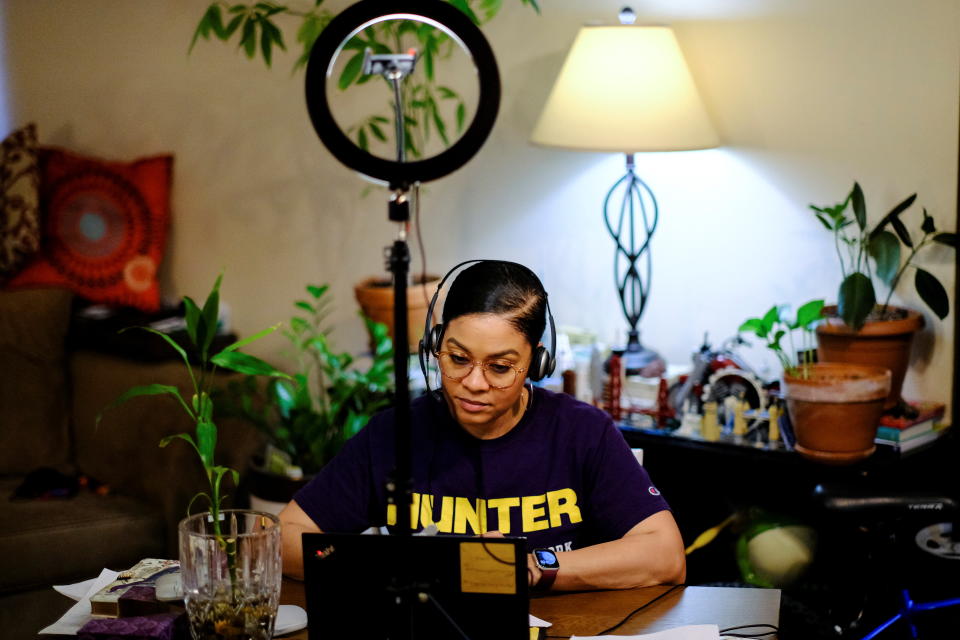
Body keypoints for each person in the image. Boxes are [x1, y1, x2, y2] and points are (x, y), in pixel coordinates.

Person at [279, 260, 685, 590]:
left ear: (537, 363)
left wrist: (535, 567)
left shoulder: (582, 432)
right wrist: (395, 566)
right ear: (434, 346)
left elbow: (664, 555)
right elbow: (285, 538)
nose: (474, 383)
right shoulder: (394, 434)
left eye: (500, 367)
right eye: (457, 359)